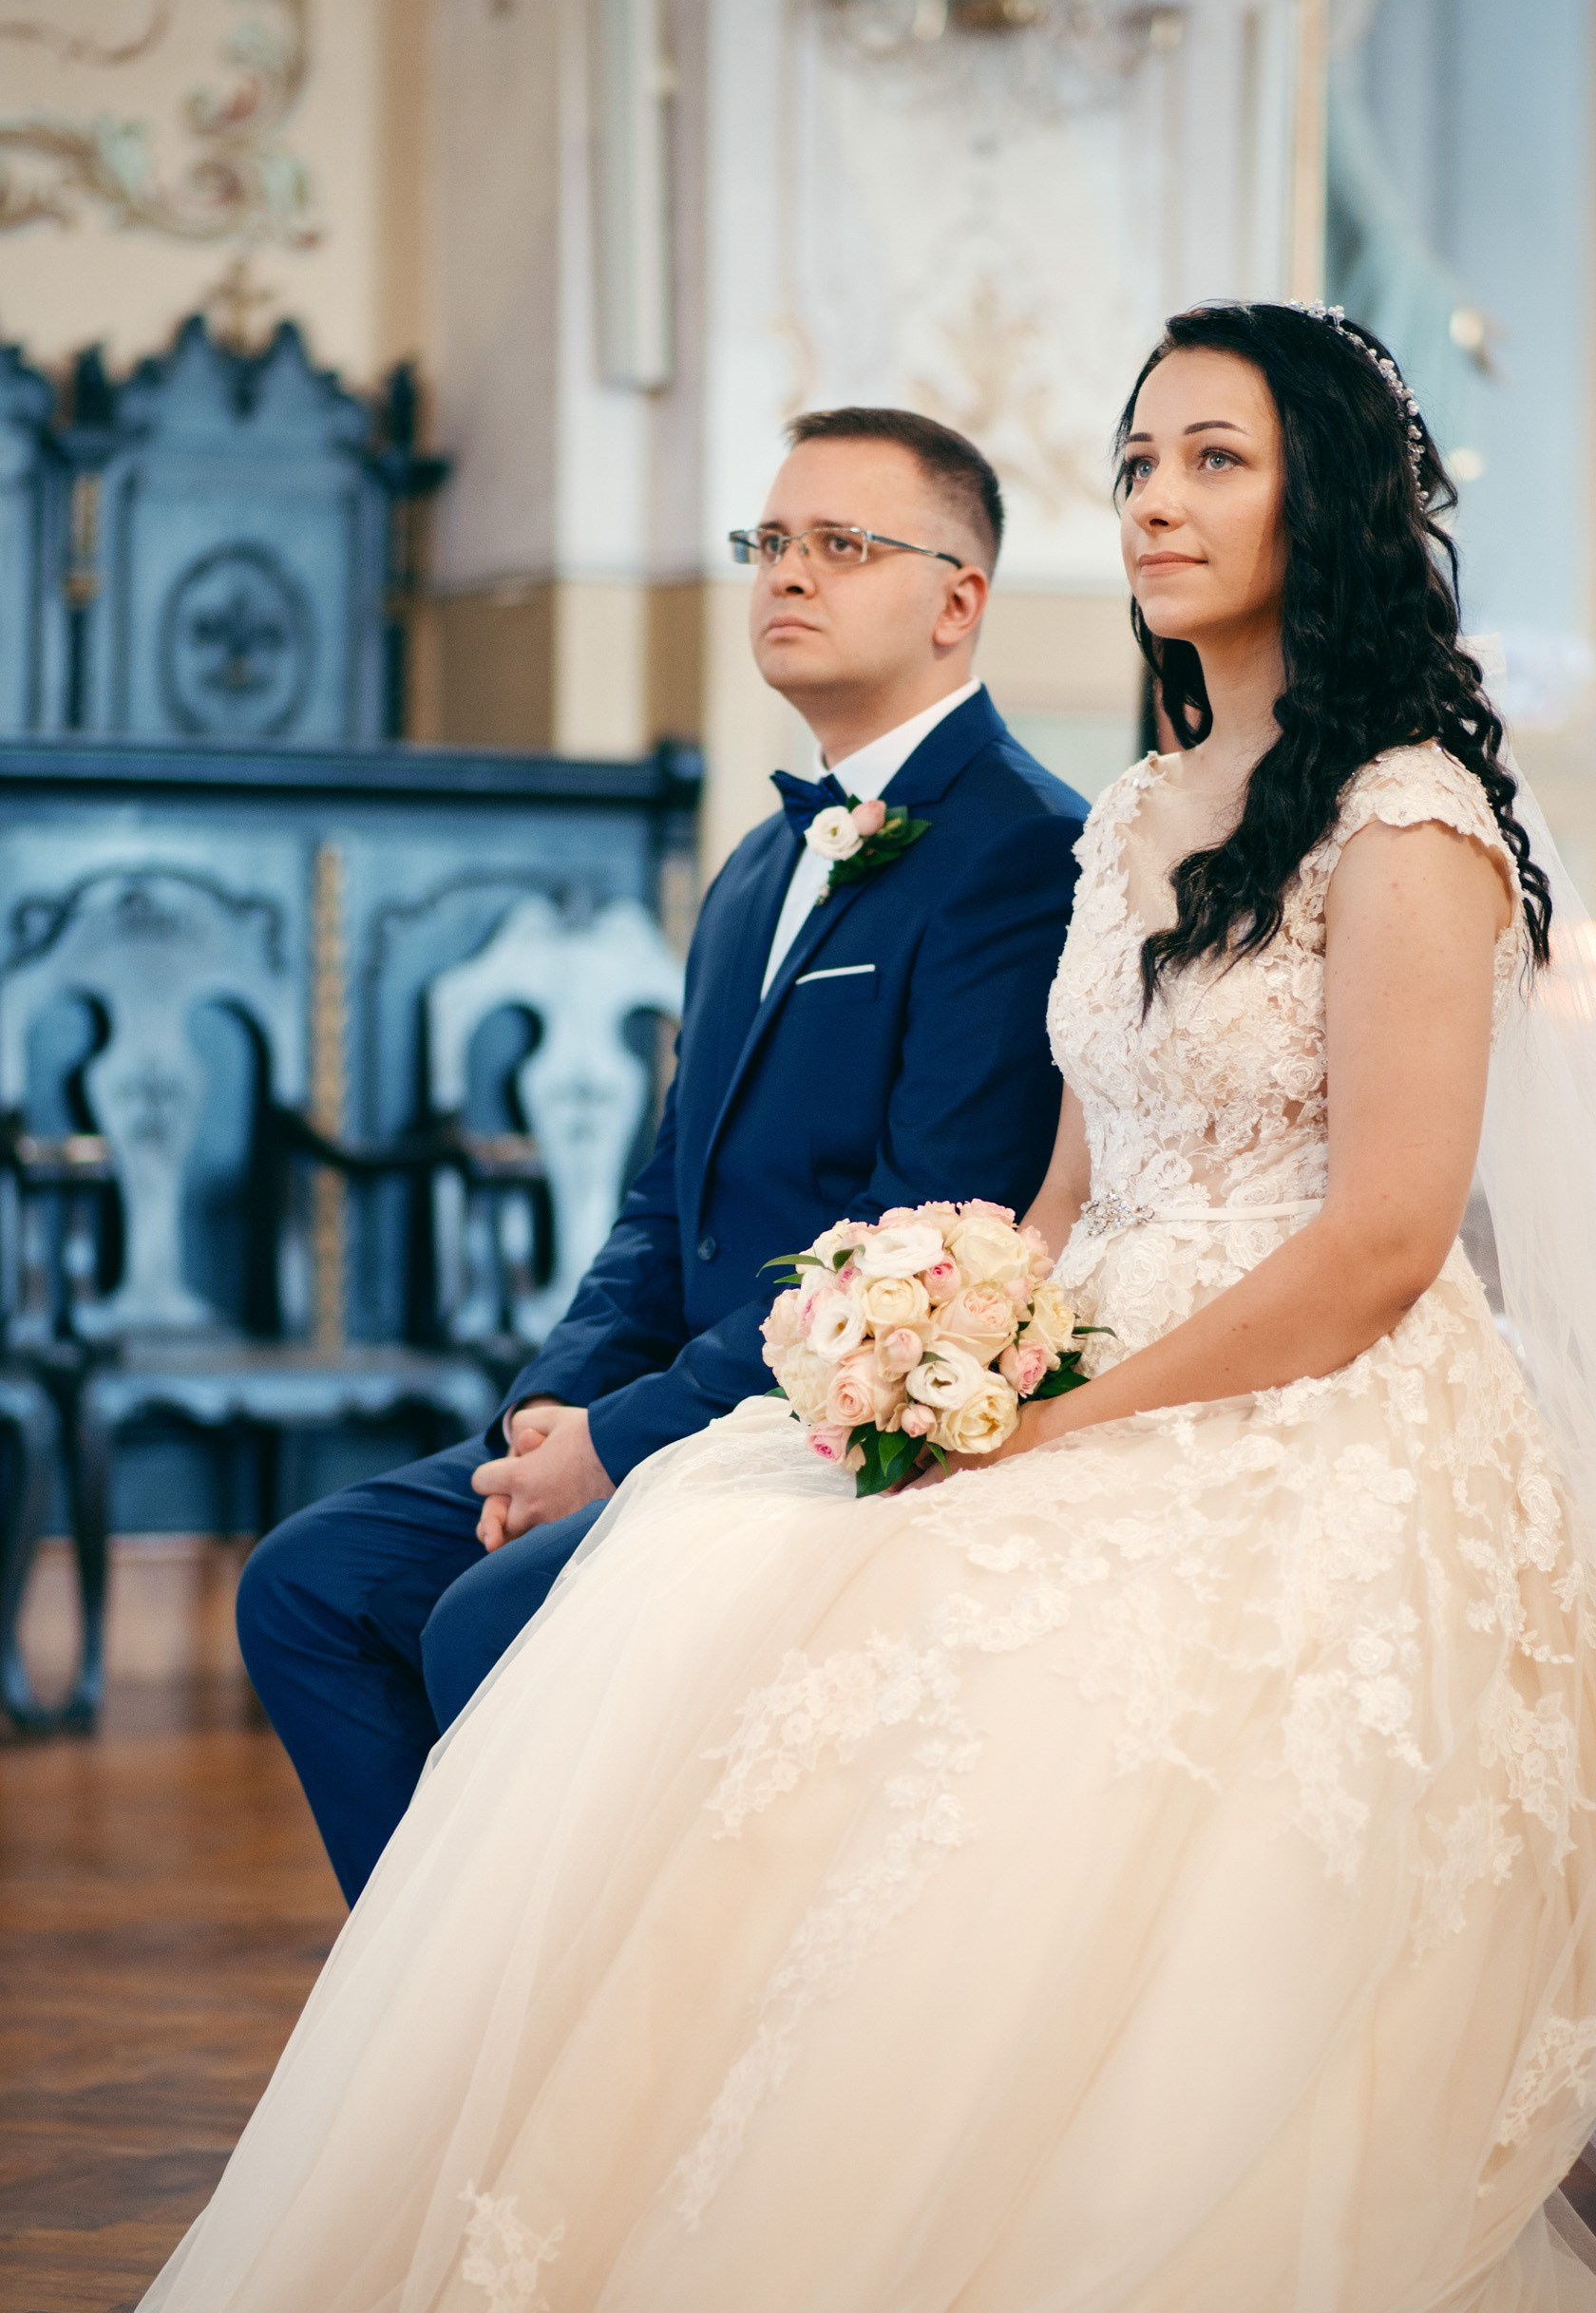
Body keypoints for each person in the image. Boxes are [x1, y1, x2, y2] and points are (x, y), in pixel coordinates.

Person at [142, 303, 1596, 2312]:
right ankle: (558, 2109)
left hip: (1307, 1402)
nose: (1158, 500)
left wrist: (1050, 1426)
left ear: (1326, 499)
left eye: (1216, 460)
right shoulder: (1149, 808)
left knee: (830, 1636)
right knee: (705, 1563)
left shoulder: (1406, 813)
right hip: (1087, 1344)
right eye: (1144, 458)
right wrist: (955, 1344)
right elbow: (1067, 1192)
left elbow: (1379, 1247)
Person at [237, 408, 1089, 1905]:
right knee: (308, 1586)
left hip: (818, 1419)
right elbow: (661, 1192)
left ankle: (530, 2018)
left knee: (482, 1620)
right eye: (768, 543)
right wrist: (551, 1410)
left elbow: (921, 1226)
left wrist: (617, 1449)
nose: (787, 575)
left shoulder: (1023, 852)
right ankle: (437, 2015)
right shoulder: (759, 858)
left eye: (842, 545)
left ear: (960, 598)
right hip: (658, 1395)